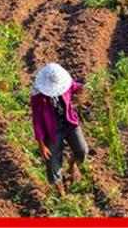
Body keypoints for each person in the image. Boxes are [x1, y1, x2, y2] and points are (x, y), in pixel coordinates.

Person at [31, 63, 89, 197]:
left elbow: (77, 87)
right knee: (53, 163)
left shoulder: (66, 84)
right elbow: (37, 120)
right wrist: (41, 144)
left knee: (82, 151)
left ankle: (72, 163)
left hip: (69, 122)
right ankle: (60, 192)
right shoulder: (38, 96)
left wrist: (87, 89)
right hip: (51, 129)